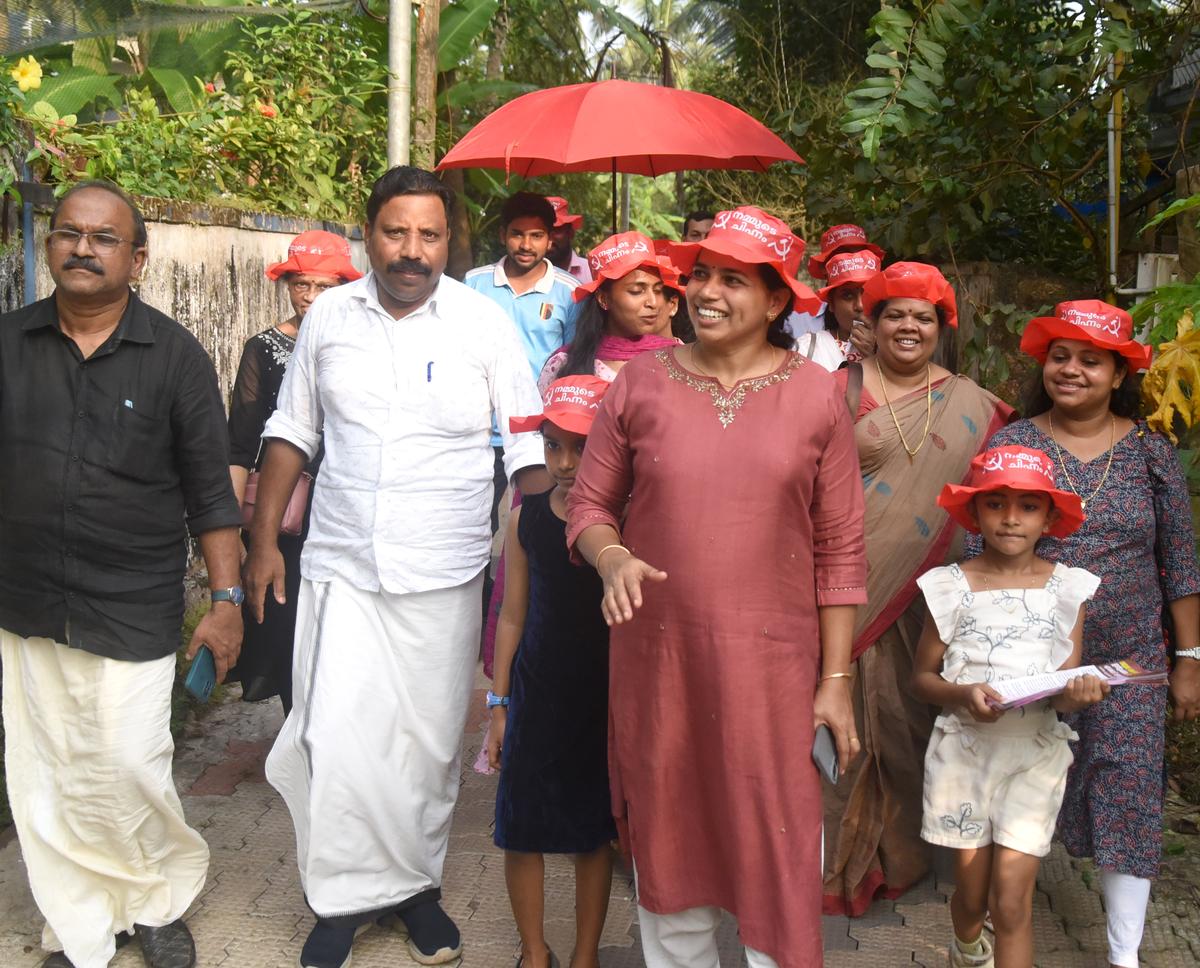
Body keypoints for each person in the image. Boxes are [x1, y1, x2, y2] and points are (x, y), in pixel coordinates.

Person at [243, 166, 551, 968]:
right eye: (395, 232)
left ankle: (415, 890)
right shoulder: (330, 320)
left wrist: (546, 541)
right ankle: (340, 900)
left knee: (422, 746)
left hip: (443, 567)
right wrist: (263, 541)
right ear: (368, 233)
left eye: (430, 235)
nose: (412, 251)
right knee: (335, 735)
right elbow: (292, 429)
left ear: (451, 242)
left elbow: (524, 441)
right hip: (341, 563)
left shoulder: (483, 326)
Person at [566, 205, 866, 967]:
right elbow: (589, 507)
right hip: (659, 666)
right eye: (700, 274)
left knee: (779, 847)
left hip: (775, 675)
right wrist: (610, 559)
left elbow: (839, 549)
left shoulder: (817, 396)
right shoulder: (639, 384)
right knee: (671, 847)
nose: (706, 291)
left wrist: (835, 682)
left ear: (776, 301)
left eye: (734, 280)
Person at [0, 180, 244, 968]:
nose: (81, 247)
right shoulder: (8, 344)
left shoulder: (174, 357)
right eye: (68, 232)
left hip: (131, 599)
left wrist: (225, 600)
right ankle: (81, 921)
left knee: (130, 762)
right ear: (49, 246)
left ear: (136, 257)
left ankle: (155, 899)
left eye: (103, 237)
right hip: (26, 597)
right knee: (48, 772)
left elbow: (211, 494)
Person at [974, 299, 1200, 968]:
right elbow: (974, 546)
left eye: (1090, 361)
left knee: (1129, 789)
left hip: (1131, 660)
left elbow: (1180, 561)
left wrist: (1190, 657)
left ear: (1118, 372)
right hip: (1028, 657)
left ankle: (1123, 952)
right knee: (1021, 784)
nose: (1071, 370)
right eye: (1060, 357)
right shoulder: (1013, 444)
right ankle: (989, 918)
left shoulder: (1152, 450)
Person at [822, 261, 1015, 918]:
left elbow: (998, 503)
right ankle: (835, 861)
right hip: (837, 590)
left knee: (910, 724)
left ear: (942, 327)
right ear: (869, 323)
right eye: (894, 313)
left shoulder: (973, 405)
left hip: (926, 600)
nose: (908, 326)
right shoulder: (833, 390)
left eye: (923, 316)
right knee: (841, 725)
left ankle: (899, 855)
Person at [913, 446, 1107, 968]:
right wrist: (963, 695)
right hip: (966, 756)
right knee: (973, 900)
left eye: (1027, 506)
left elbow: (1064, 683)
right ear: (974, 513)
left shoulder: (1068, 588)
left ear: (1048, 518)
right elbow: (922, 680)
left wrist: (1080, 692)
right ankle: (967, 945)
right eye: (996, 504)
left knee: (1011, 898)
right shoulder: (950, 587)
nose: (1011, 518)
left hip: (1035, 756)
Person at [487, 376, 617, 968]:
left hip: (605, 699)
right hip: (537, 696)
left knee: (594, 833)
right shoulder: (527, 520)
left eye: (581, 446)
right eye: (552, 445)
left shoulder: (629, 526)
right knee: (523, 825)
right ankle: (534, 951)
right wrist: (499, 703)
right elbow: (512, 617)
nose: (565, 463)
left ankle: (585, 954)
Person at [227, 230, 362, 715]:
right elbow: (240, 443)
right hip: (283, 513)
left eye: (324, 286)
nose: (310, 297)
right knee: (285, 618)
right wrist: (236, 530)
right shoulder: (262, 349)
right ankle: (296, 728)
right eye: (301, 284)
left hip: (350, 505)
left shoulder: (361, 344)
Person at [538, 230, 684, 391]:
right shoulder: (564, 364)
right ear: (603, 299)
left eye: (658, 291)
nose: (653, 302)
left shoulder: (682, 360)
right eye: (637, 291)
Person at [788, 223, 886, 339]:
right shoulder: (798, 318)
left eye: (861, 255)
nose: (852, 261)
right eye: (847, 295)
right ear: (824, 268)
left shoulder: (888, 318)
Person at [793, 250, 881, 370]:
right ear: (831, 304)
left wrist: (873, 356)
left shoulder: (896, 347)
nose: (860, 305)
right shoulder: (807, 347)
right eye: (848, 296)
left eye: (867, 294)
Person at [547, 196, 593, 283]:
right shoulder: (525, 273)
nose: (549, 238)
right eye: (542, 232)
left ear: (570, 233)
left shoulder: (591, 272)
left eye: (556, 230)